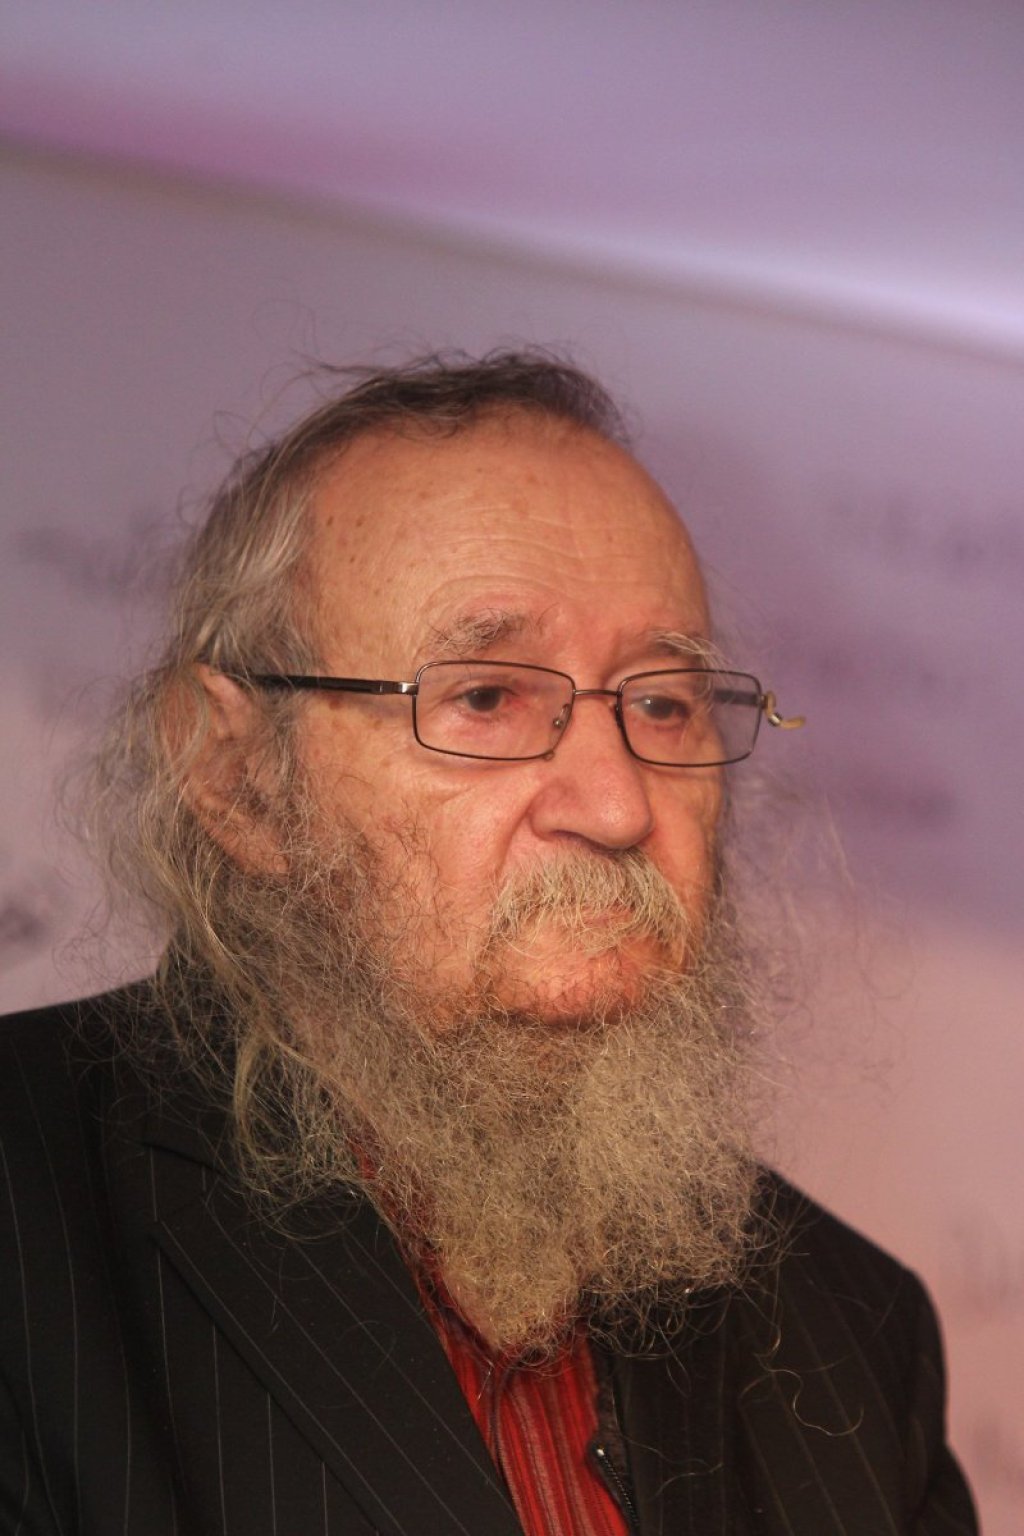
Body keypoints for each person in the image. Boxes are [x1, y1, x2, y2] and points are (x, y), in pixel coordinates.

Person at [0, 352, 976, 1535]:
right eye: (484, 699)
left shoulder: (852, 1331)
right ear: (236, 776)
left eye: (662, 704)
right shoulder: (30, 1218)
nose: (615, 805)